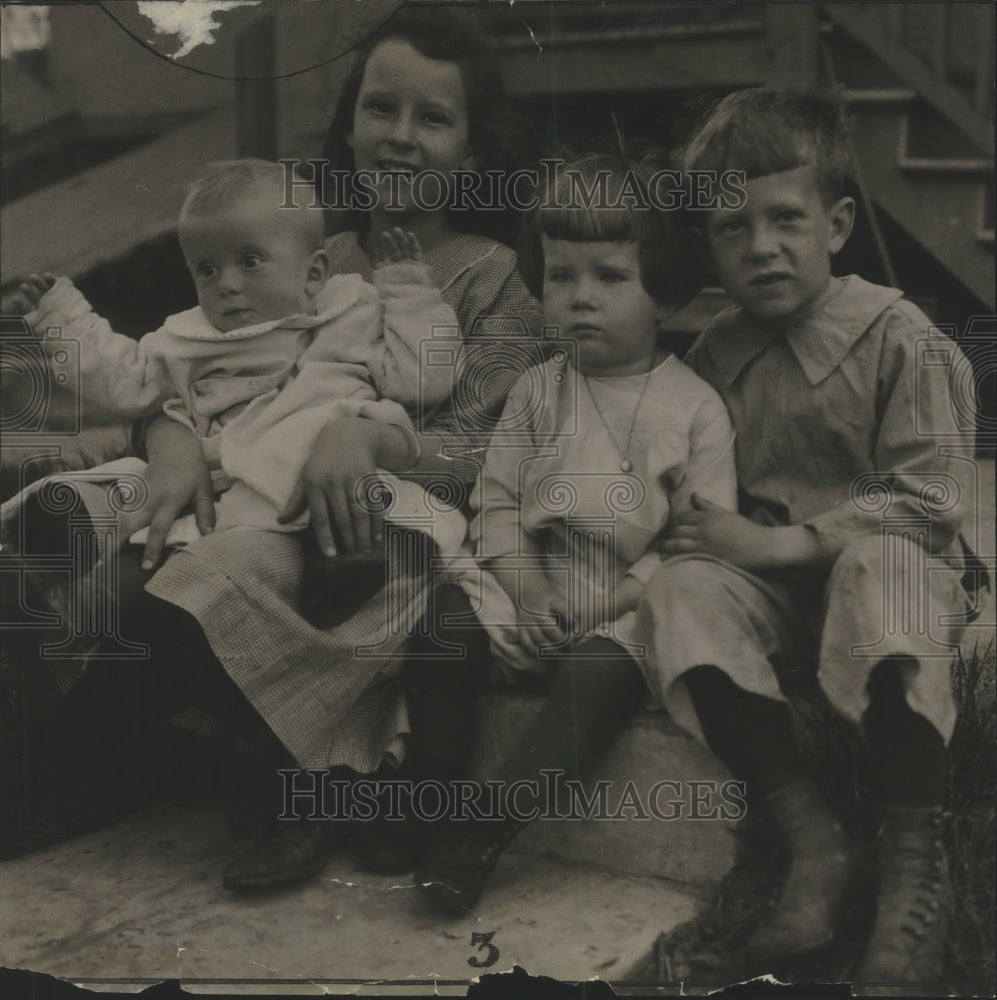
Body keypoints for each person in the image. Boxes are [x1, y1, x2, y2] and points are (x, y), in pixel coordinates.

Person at [0, 7, 545, 887]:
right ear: (350, 126)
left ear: (472, 153)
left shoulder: (489, 278)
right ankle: (87, 772)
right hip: (243, 493)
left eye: (433, 119)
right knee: (124, 563)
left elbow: (492, 448)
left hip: (368, 540)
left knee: (158, 600)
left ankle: (73, 783)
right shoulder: (300, 249)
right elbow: (195, 366)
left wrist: (364, 436)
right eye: (380, 109)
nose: (401, 138)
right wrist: (170, 436)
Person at [639, 88, 981, 983]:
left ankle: (916, 851)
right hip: (783, 601)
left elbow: (932, 497)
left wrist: (784, 544)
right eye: (729, 228)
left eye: (785, 218)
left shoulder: (896, 335)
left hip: (888, 572)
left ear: (834, 224)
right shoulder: (714, 353)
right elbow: (688, 483)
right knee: (680, 589)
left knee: (881, 571)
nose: (760, 246)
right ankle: (813, 839)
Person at [413, 150, 737, 915]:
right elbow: (494, 505)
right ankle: (423, 797)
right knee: (442, 625)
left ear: (662, 290)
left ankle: (486, 827)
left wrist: (606, 605)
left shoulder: (694, 408)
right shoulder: (536, 390)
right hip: (530, 585)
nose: (580, 299)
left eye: (610, 277)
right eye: (561, 276)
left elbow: (692, 541)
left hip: (623, 608)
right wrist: (525, 592)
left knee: (604, 671)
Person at [7, 158, 467, 628]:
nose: (226, 284)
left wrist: (409, 294)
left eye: (250, 262)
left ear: (312, 274)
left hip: (323, 470)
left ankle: (340, 568)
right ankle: (65, 570)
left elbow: (420, 380)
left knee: (349, 516)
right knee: (144, 523)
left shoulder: (357, 312)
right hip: (219, 486)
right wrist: (61, 321)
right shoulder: (190, 340)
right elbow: (124, 378)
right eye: (206, 270)